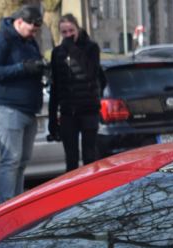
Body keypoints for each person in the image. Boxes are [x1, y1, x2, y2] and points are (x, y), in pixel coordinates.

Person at [0, 4, 46, 203]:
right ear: (19, 22)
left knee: (22, 160)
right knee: (11, 159)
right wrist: (23, 68)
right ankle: (7, 206)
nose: (33, 33)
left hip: (28, 109)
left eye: (36, 30)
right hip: (6, 108)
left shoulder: (30, 42)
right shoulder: (0, 39)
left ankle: (16, 203)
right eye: (31, 29)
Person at [47, 14, 104, 172]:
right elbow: (55, 86)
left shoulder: (91, 48)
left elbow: (90, 72)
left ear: (77, 29)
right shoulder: (57, 52)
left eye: (71, 30)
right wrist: (53, 119)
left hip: (88, 110)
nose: (68, 35)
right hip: (68, 112)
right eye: (64, 32)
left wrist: (72, 49)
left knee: (90, 156)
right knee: (71, 159)